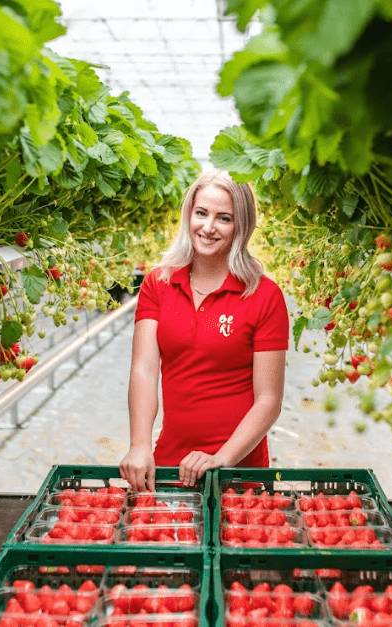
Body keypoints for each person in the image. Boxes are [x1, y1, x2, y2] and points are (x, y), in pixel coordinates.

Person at [119, 169, 289, 491]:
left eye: (224, 218)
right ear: (189, 215)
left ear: (242, 225)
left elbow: (269, 399)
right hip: (170, 463)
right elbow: (143, 369)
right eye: (201, 213)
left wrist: (221, 458)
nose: (208, 228)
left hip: (239, 469)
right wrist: (140, 443)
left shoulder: (264, 296)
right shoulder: (159, 283)